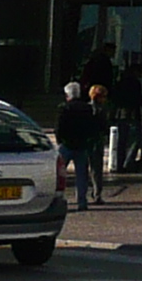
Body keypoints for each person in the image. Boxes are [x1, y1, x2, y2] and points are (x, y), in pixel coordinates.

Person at [54, 82, 104, 211]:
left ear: (67, 95)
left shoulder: (64, 108)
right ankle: (82, 201)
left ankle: (55, 199)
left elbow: (59, 127)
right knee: (81, 175)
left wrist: (60, 140)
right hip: (81, 145)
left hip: (67, 144)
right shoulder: (86, 108)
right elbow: (91, 126)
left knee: (58, 173)